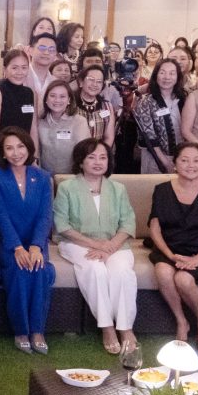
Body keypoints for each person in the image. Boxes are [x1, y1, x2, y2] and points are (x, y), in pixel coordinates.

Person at [53, 139, 137, 354]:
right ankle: (107, 327)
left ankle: (126, 328)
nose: (98, 162)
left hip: (114, 244)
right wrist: (95, 245)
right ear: (80, 162)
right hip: (76, 243)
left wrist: (108, 246)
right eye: (91, 157)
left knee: (122, 272)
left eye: (103, 157)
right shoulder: (67, 187)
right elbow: (62, 225)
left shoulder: (118, 188)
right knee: (96, 269)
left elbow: (128, 223)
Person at [148, 141, 198, 347]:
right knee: (163, 272)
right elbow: (155, 228)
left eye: (196, 160)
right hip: (171, 248)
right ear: (175, 164)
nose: (190, 165)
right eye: (184, 160)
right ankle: (181, 321)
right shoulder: (162, 190)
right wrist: (169, 254)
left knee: (184, 279)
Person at [0, 127, 56, 354]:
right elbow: (0, 215)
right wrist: (17, 247)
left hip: (36, 242)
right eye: (9, 148)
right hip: (9, 243)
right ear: (3, 153)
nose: (16, 152)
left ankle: (37, 330)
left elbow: (46, 215)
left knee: (39, 269)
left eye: (20, 146)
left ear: (29, 148)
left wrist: (36, 246)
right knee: (19, 270)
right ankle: (21, 331)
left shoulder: (44, 177)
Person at [0, 48, 37, 168]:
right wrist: (10, 155)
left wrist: (33, 156)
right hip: (0, 156)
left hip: (23, 157)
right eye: (14, 67)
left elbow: (32, 128)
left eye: (24, 67)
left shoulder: (30, 93)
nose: (20, 72)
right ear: (5, 69)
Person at [132, 58, 185, 173]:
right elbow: (149, 137)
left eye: (172, 73)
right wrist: (164, 161)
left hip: (182, 158)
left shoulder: (183, 99)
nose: (167, 77)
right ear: (156, 75)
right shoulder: (146, 102)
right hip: (155, 159)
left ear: (178, 77)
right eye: (162, 72)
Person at [36, 80, 89, 175]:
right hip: (45, 177)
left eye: (62, 96)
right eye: (52, 96)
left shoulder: (79, 122)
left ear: (69, 100)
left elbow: (84, 154)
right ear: (46, 99)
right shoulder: (39, 122)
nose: (57, 100)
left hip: (72, 179)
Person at [75, 65, 115, 149]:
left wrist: (99, 154)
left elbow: (109, 137)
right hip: (74, 154)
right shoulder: (70, 105)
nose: (95, 84)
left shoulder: (107, 106)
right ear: (81, 82)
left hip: (97, 156)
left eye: (99, 81)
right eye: (91, 80)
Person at [25, 33, 58, 108]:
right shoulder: (20, 76)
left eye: (51, 49)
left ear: (55, 55)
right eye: (42, 48)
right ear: (31, 50)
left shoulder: (55, 82)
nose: (46, 52)